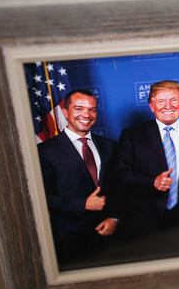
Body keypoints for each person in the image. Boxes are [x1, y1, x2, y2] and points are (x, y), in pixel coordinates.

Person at [115, 80, 179, 254]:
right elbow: (121, 174)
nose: (168, 106)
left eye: (174, 100)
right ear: (151, 106)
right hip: (145, 220)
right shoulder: (132, 135)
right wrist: (152, 181)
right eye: (161, 101)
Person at [38, 89, 119, 262]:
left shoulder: (109, 146)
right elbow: (42, 197)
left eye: (92, 109)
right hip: (70, 240)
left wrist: (114, 218)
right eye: (79, 108)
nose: (86, 114)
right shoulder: (44, 151)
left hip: (110, 237)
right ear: (66, 112)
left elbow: (121, 188)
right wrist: (83, 204)